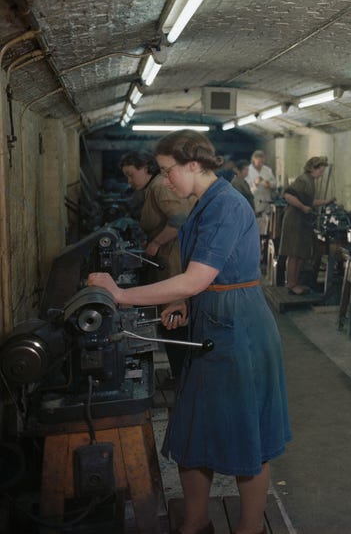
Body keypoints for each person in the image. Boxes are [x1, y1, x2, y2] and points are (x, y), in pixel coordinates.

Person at [90, 131, 290, 534]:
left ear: (194, 165)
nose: (164, 180)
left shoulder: (226, 207)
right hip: (214, 317)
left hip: (239, 329)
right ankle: (196, 523)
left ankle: (249, 529)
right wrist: (181, 301)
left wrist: (120, 294)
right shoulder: (204, 203)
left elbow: (195, 278)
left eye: (168, 171)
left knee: (245, 437)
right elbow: (199, 276)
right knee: (191, 432)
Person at [119, 150, 196, 382]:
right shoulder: (151, 190)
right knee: (171, 320)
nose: (129, 181)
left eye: (131, 175)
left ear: (146, 168)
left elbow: (180, 218)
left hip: (172, 261)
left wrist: (155, 242)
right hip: (165, 261)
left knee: (174, 320)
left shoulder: (158, 188)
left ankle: (184, 378)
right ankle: (181, 374)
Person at [279, 156, 335, 295]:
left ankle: (294, 283)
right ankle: (291, 285)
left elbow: (310, 201)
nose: (321, 174)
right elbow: (288, 195)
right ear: (313, 168)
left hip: (301, 221)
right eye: (320, 171)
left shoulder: (310, 181)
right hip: (294, 220)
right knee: (294, 254)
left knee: (300, 254)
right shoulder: (303, 179)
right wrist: (303, 207)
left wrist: (326, 201)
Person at [246, 149, 277, 236]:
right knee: (254, 227)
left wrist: (270, 184)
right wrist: (255, 184)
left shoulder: (267, 170)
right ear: (254, 160)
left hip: (266, 201)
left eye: (262, 162)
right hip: (254, 202)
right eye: (258, 162)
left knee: (266, 227)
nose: (260, 164)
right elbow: (245, 188)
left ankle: (264, 244)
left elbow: (275, 184)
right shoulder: (248, 171)